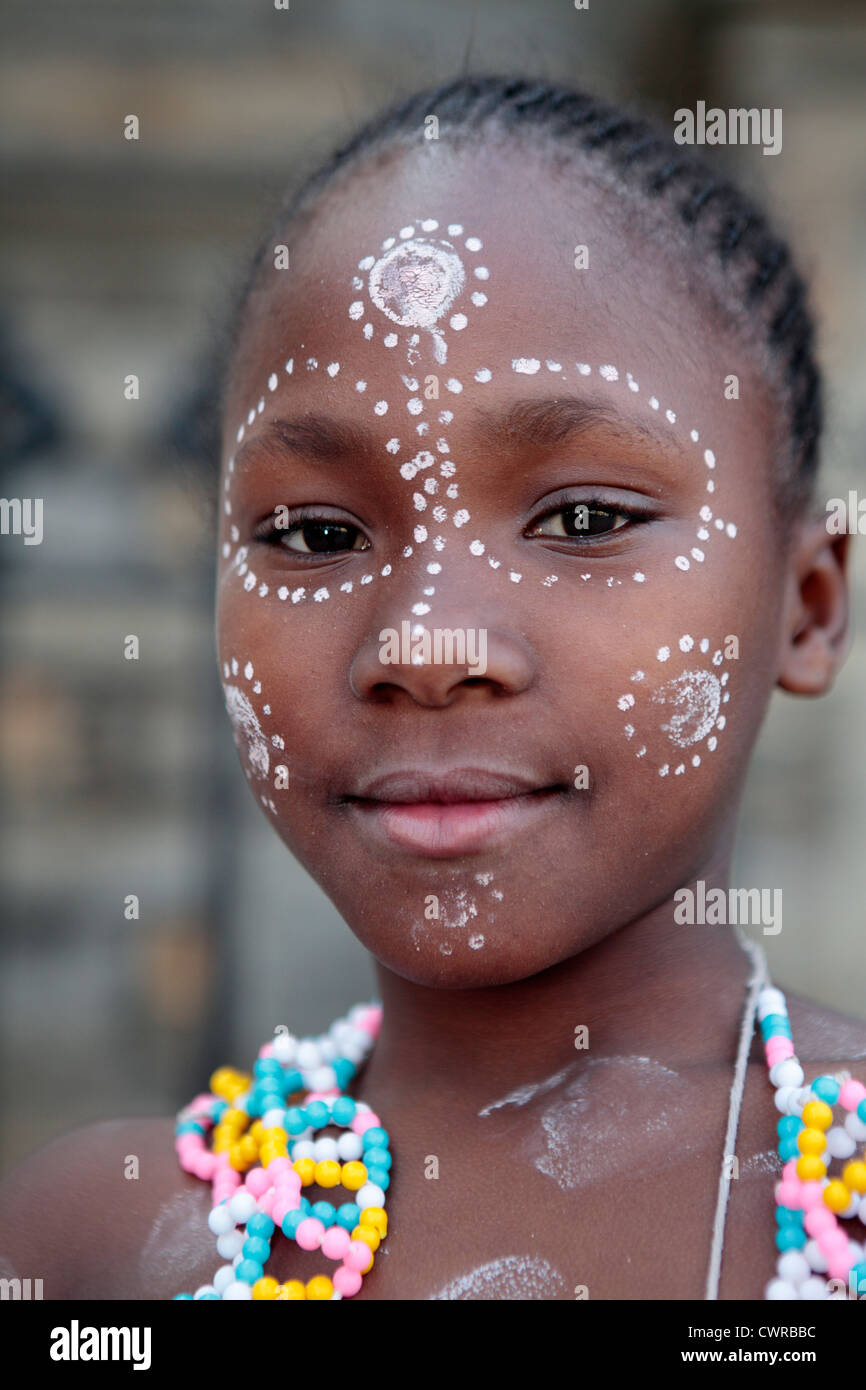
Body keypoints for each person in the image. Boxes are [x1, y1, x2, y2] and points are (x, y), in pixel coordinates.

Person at [2, 75, 865, 1302]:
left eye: (580, 516)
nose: (421, 641)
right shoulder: (92, 1252)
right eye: (312, 535)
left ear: (806, 604)